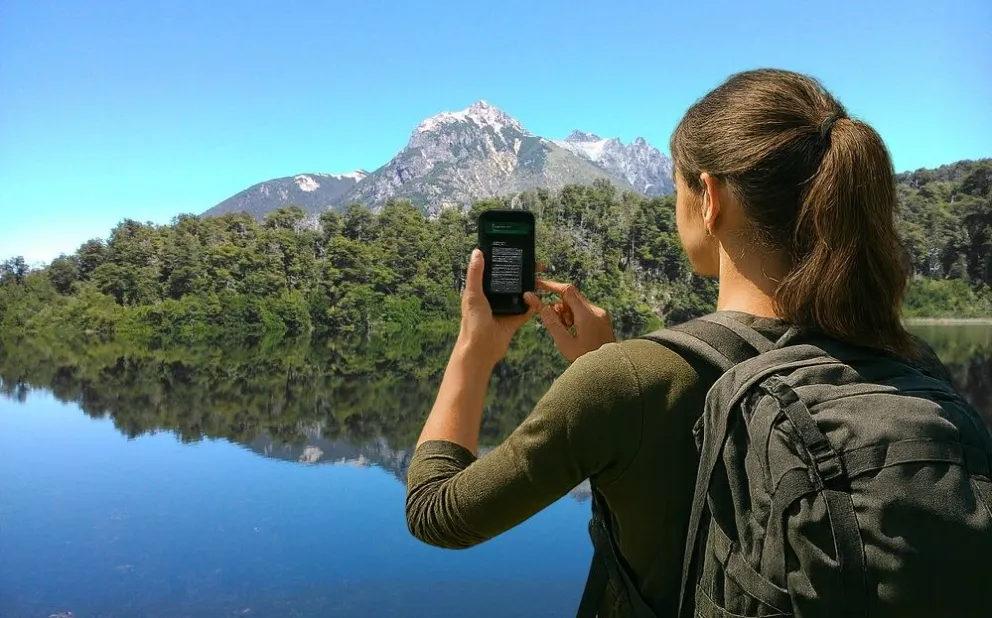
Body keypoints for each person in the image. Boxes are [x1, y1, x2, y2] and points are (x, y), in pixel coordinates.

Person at [404, 68, 965, 617]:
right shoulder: (915, 366)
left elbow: (436, 512)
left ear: (710, 198)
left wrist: (475, 351)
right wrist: (607, 364)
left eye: (676, 188)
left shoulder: (628, 382)